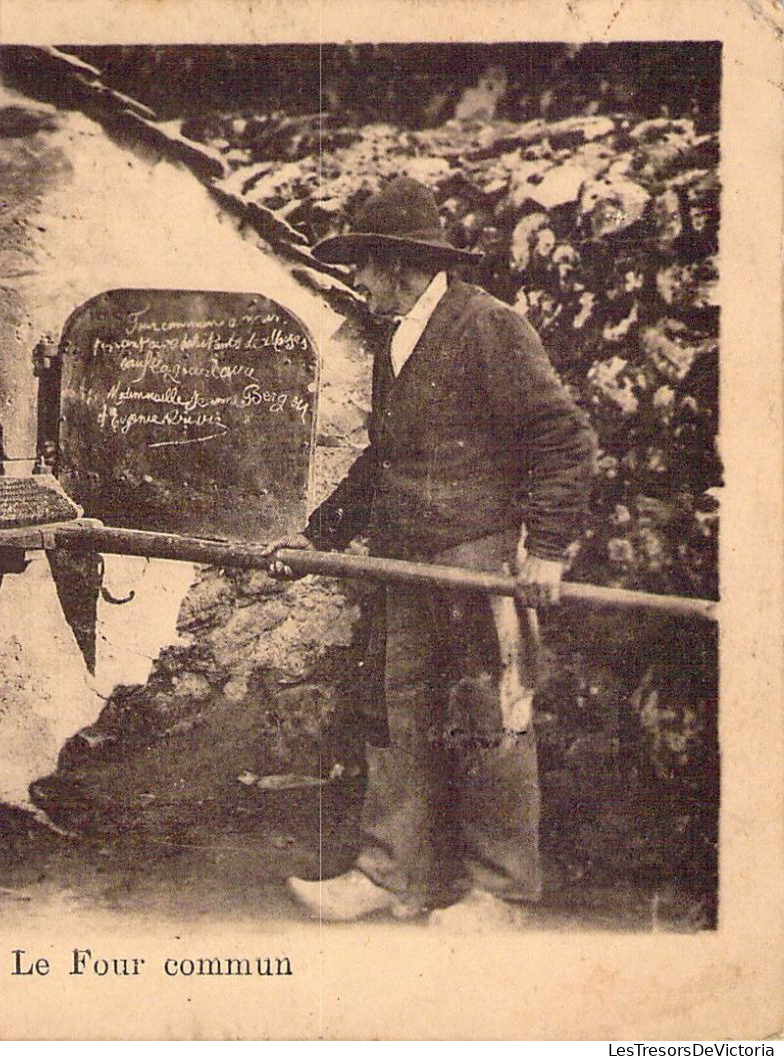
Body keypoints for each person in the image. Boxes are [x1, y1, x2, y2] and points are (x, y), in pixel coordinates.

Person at [273, 175, 597, 930]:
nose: (355, 279)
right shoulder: (397, 338)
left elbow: (563, 438)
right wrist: (317, 534)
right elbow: (380, 457)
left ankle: (502, 891)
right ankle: (388, 874)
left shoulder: (487, 325)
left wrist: (544, 549)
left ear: (399, 266)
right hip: (404, 561)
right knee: (399, 716)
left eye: (364, 264)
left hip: (476, 557)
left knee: (490, 720)